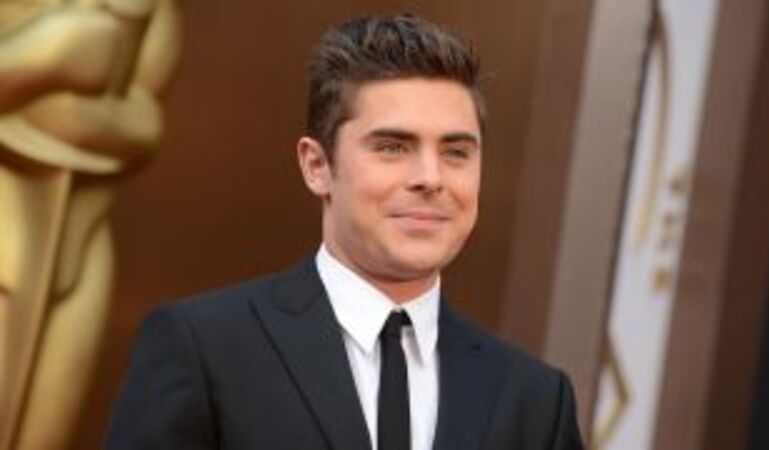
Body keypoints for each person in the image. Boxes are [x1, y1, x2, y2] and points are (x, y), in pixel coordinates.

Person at [105, 13, 584, 450]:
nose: (430, 178)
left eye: (456, 152)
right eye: (393, 147)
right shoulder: (205, 349)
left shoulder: (537, 399)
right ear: (317, 166)